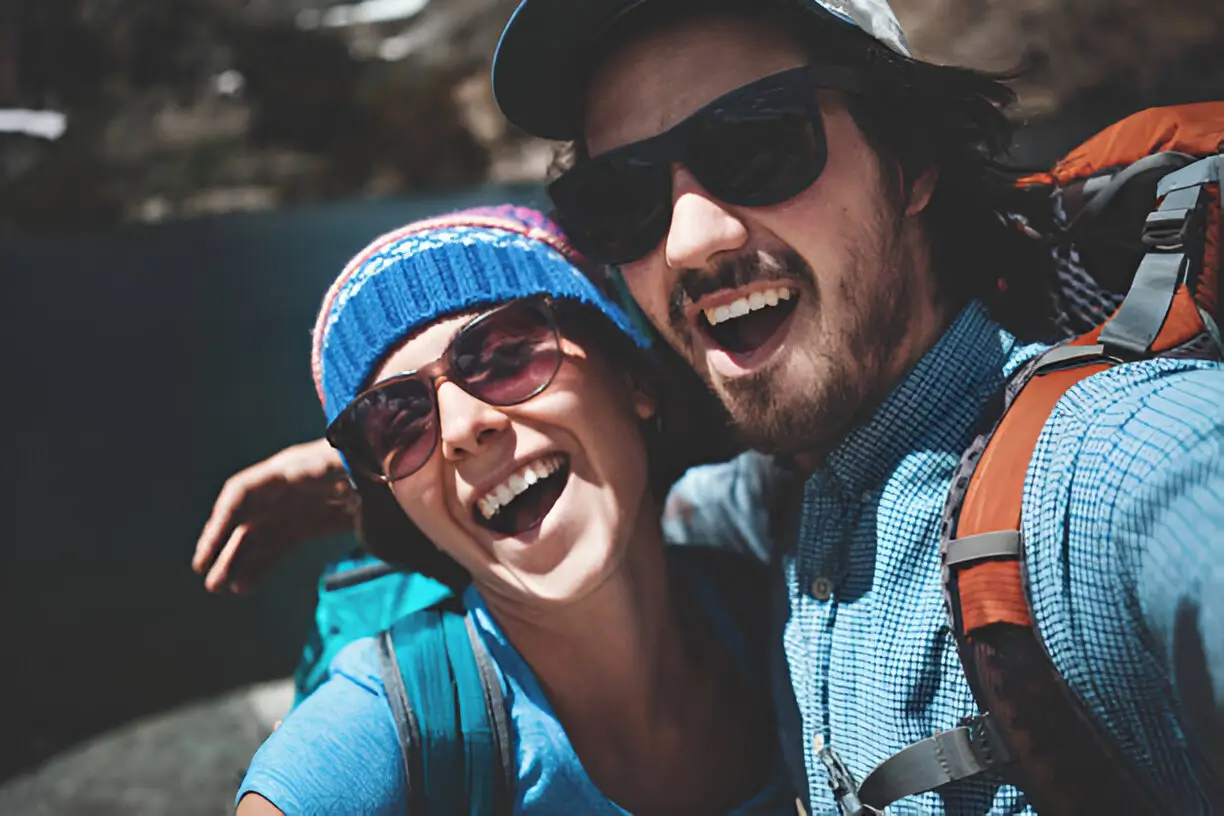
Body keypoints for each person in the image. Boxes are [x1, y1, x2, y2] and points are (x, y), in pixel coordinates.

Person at [196, 0, 1224, 812]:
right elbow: (625, 491)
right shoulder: (776, 509)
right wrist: (377, 474)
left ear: (911, 162)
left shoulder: (1115, 474)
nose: (689, 238)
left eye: (761, 145)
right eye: (626, 199)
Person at [232, 205, 796, 815]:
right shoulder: (384, 731)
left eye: (505, 355)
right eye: (396, 419)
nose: (461, 429)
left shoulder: (771, 586)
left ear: (632, 376)